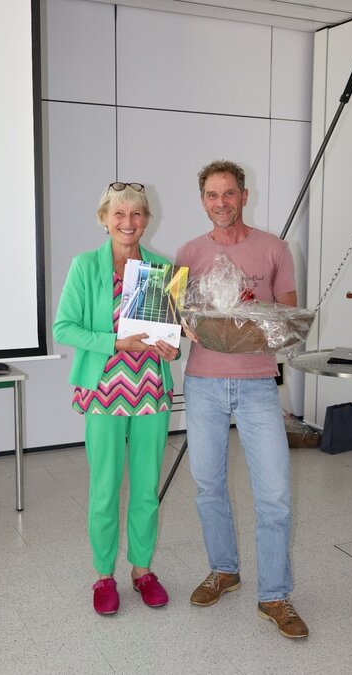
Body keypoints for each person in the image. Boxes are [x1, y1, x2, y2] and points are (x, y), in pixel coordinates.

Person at [175, 160, 307, 639]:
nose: (221, 203)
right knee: (208, 485)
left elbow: (288, 320)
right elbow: (175, 318)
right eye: (212, 195)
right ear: (203, 201)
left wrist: (251, 317)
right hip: (203, 382)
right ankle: (224, 569)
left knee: (274, 494)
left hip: (256, 384)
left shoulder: (275, 248)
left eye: (229, 193)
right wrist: (184, 322)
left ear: (244, 196)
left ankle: (274, 595)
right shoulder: (187, 253)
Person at [53, 183, 178, 615]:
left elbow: (169, 338)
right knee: (105, 488)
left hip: (152, 391)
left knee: (146, 488)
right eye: (119, 214)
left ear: (147, 220)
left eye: (137, 214)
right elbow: (63, 327)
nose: (128, 222)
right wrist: (114, 343)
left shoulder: (162, 268)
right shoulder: (85, 265)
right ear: (104, 219)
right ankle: (103, 575)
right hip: (104, 391)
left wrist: (172, 348)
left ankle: (142, 570)